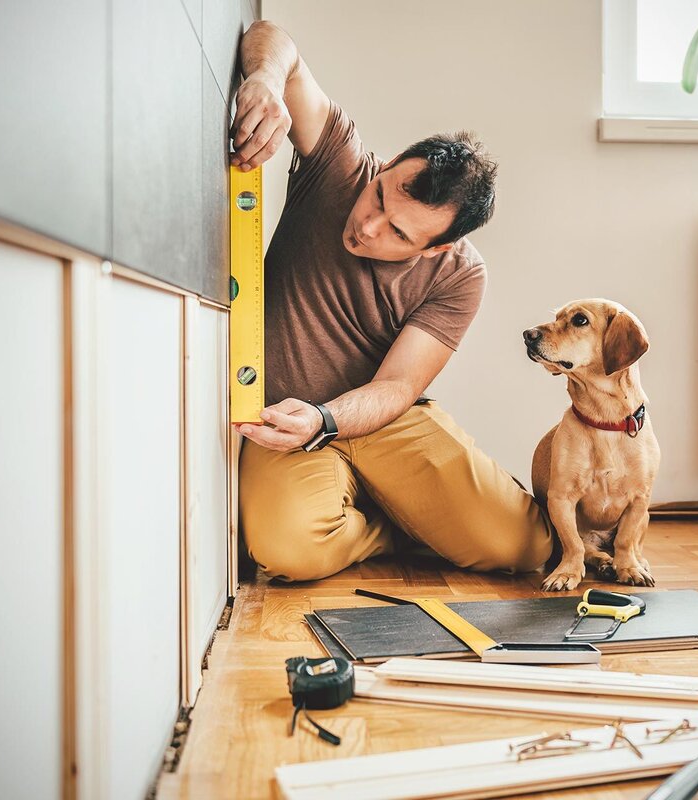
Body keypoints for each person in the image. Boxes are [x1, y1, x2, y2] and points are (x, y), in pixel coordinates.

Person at [230, 20, 552, 582]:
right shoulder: (340, 166)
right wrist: (265, 76)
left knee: (523, 547)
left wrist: (328, 418)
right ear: (387, 167)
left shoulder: (460, 275)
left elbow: (399, 386)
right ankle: (396, 524)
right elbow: (273, 38)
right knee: (289, 552)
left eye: (400, 234)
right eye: (380, 195)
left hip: (376, 416)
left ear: (436, 248)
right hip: (281, 418)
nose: (368, 226)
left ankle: (410, 510)